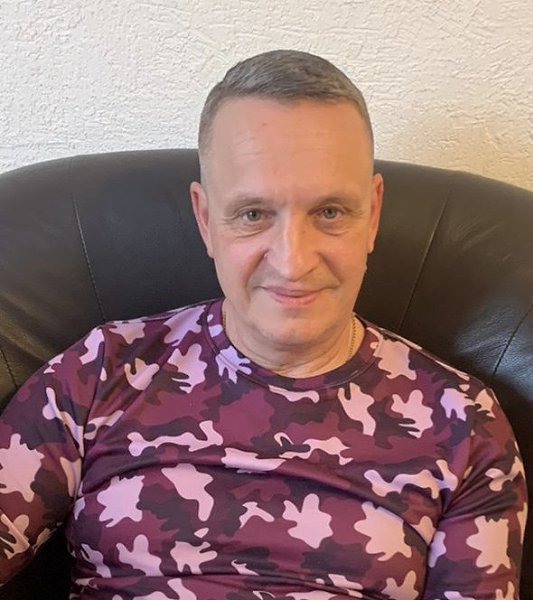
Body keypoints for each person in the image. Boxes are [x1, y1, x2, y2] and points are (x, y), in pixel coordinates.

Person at [0, 50, 527, 600]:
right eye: (253, 214)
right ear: (206, 219)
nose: (293, 262)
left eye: (329, 212)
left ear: (372, 215)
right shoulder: (100, 372)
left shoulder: (463, 424)